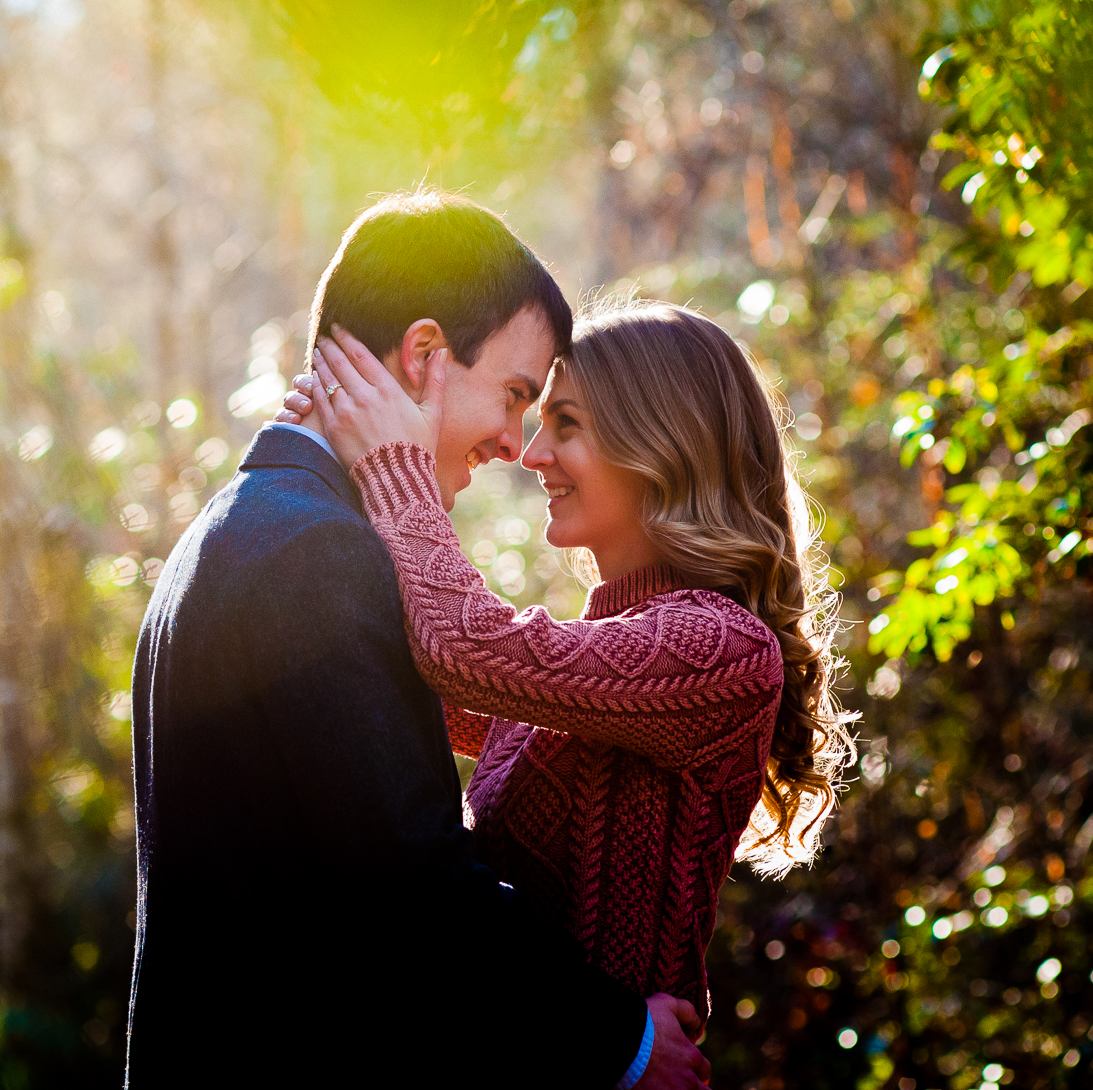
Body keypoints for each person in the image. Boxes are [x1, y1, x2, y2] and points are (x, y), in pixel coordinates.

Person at [126, 190, 711, 1088]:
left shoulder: (243, 525)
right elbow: (410, 889)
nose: (516, 446)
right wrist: (620, 1040)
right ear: (426, 353)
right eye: (515, 395)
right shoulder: (315, 552)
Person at [283, 294, 854, 1020]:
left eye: (567, 424)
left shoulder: (720, 650)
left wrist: (395, 465)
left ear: (661, 444)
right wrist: (329, 440)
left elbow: (463, 649)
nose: (532, 454)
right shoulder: (601, 664)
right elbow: (419, 674)